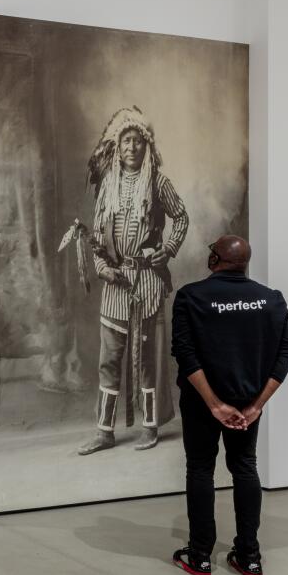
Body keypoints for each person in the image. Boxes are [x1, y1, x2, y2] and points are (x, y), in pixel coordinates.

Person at [170, 235, 288, 575]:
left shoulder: (191, 297)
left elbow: (185, 355)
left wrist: (214, 405)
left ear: (216, 259)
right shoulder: (270, 300)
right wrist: (256, 406)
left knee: (200, 469)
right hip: (246, 404)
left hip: (202, 403)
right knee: (244, 467)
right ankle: (249, 556)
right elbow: (287, 353)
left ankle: (199, 556)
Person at [78, 107, 189, 455]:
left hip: (146, 284)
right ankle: (104, 431)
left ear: (146, 146)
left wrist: (167, 249)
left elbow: (181, 217)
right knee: (109, 358)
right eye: (126, 140)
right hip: (115, 284)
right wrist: (100, 265)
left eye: (137, 141)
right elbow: (97, 232)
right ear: (118, 145)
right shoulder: (108, 184)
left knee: (146, 361)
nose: (131, 147)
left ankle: (150, 426)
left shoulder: (157, 182)